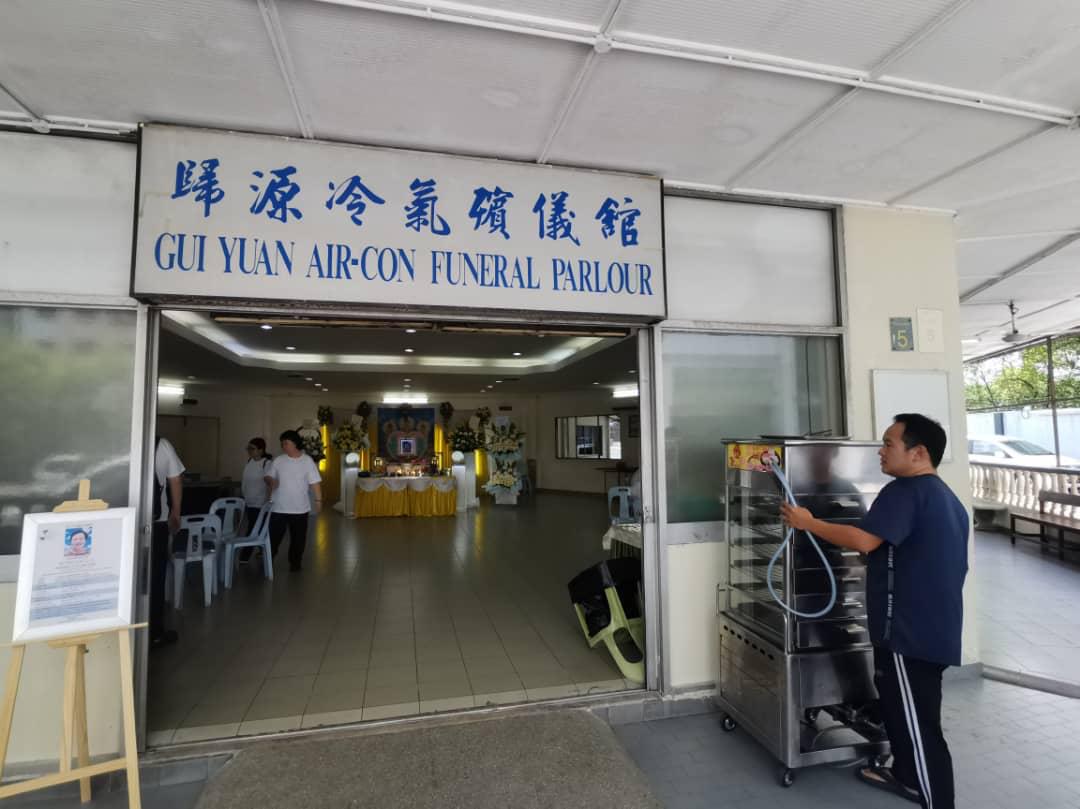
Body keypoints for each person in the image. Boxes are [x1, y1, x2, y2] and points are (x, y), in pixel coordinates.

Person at [781, 414, 968, 809]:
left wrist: (808, 522)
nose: (881, 452)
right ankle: (903, 775)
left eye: (889, 444)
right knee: (898, 710)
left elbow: (865, 541)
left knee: (920, 727)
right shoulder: (945, 497)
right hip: (932, 625)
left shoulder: (905, 491)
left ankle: (936, 799)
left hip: (909, 632)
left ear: (918, 453)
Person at [268, 429, 322, 572]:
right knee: (274, 537)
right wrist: (271, 481)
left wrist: (318, 500)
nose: (283, 446)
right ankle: (268, 561)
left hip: (300, 508)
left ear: (295, 443)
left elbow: (315, 482)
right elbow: (268, 476)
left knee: (298, 539)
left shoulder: (307, 461)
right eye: (282, 444)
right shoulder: (279, 460)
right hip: (278, 508)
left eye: (286, 443)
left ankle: (295, 563)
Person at [151, 436, 184, 648]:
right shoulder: (160, 444)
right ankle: (154, 632)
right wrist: (176, 512)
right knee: (155, 576)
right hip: (156, 522)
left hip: (118, 522)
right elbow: (176, 480)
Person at [241, 437, 273, 529]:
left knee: (256, 529)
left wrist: (269, 502)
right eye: (248, 448)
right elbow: (245, 481)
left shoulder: (267, 463)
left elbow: (270, 484)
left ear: (261, 450)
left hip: (260, 504)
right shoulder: (249, 462)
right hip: (249, 502)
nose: (249, 451)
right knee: (251, 527)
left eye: (252, 448)